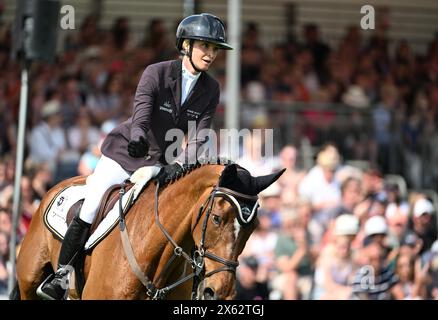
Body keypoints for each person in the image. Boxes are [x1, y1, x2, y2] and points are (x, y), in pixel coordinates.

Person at [38, 13, 233, 300]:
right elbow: (141, 114)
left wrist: (178, 165)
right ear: (186, 46)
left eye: (215, 49)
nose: (211, 54)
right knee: (91, 205)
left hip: (161, 165)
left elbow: (201, 134)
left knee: (181, 216)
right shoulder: (156, 73)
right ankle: (61, 278)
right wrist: (139, 138)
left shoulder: (211, 89)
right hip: (126, 155)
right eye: (205, 46)